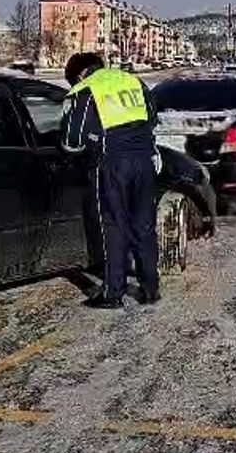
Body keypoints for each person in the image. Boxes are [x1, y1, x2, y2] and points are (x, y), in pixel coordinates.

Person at [59, 51, 160, 309]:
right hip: (145, 160)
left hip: (113, 163)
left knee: (112, 226)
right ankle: (150, 288)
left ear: (79, 74)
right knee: (144, 225)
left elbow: (74, 141)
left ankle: (113, 292)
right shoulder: (132, 80)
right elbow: (152, 115)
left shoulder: (86, 89)